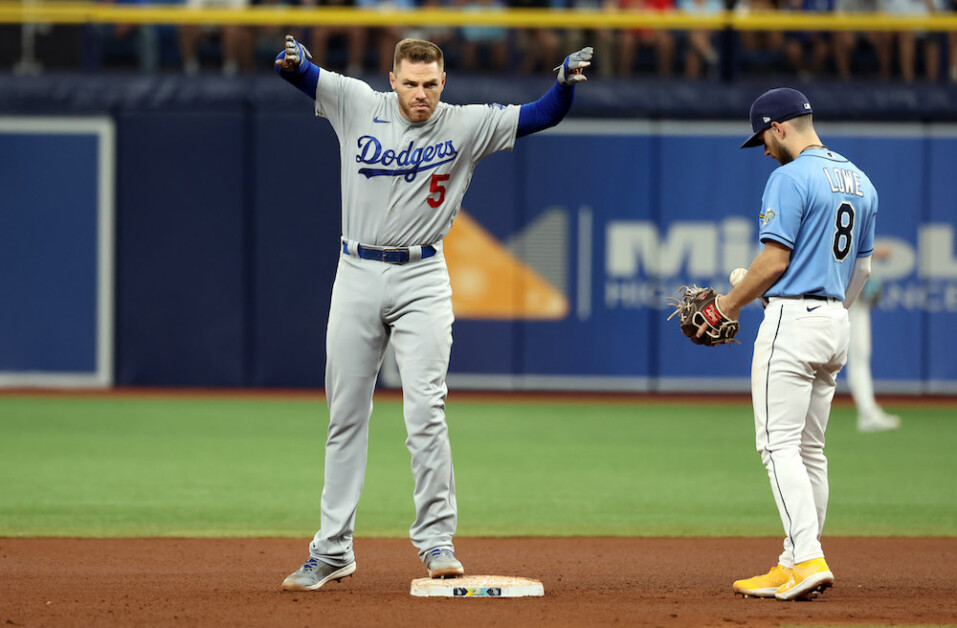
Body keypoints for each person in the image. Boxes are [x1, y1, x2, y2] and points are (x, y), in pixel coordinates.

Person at [274, 34, 593, 591]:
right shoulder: (357, 103)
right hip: (356, 271)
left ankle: (436, 541)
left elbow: (541, 115)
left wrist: (562, 84)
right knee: (345, 415)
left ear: (443, 83)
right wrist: (296, 63)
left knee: (426, 410)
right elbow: (305, 75)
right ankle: (331, 550)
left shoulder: (464, 124)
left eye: (429, 84)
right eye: (410, 82)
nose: (419, 94)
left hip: (423, 275)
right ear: (392, 79)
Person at [709, 88, 877, 601]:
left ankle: (806, 558)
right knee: (810, 451)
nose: (762, 149)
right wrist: (827, 311)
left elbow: (773, 262)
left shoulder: (788, 177)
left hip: (794, 321)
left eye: (761, 137)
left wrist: (727, 304)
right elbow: (863, 269)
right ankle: (792, 558)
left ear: (779, 127)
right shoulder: (860, 181)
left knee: (778, 446)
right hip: (835, 322)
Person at [846, 244, 901, 432]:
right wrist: (874, 250)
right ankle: (867, 412)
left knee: (859, 356)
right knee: (822, 358)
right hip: (840, 295)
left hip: (852, 294)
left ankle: (867, 411)